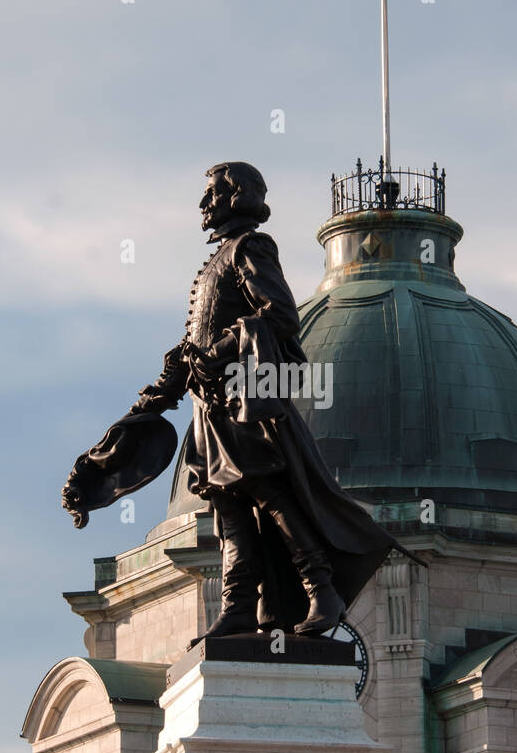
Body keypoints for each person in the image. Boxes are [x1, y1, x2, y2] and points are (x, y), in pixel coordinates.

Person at [134, 161, 395, 642]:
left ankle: (323, 590)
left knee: (268, 494)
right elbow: (196, 344)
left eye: (212, 193)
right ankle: (238, 606)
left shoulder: (251, 247)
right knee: (229, 507)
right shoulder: (218, 260)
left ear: (236, 197)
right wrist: (161, 391)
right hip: (209, 407)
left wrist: (217, 350)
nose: (203, 203)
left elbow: (277, 318)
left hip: (238, 400)